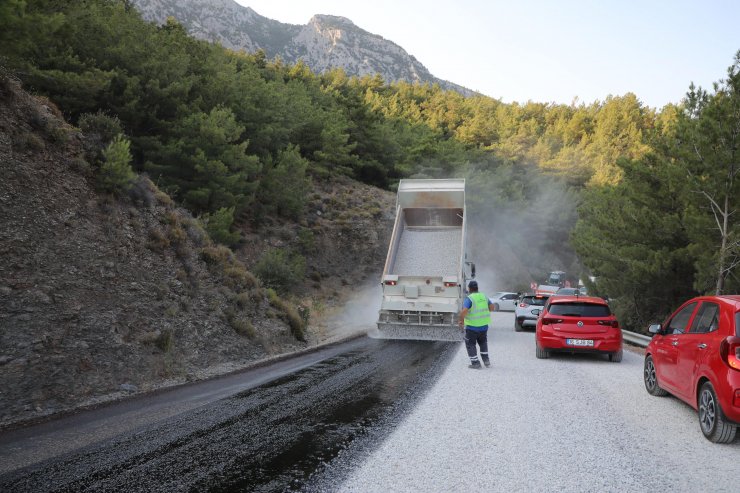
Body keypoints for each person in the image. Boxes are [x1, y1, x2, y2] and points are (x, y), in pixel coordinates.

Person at [458, 280, 494, 369]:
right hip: (484, 327)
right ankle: (486, 361)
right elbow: (492, 308)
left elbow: (463, 312)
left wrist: (461, 321)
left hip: (472, 327)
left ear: (469, 288)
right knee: (483, 342)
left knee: (470, 343)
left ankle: (475, 363)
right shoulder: (484, 296)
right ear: (477, 288)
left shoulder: (470, 298)